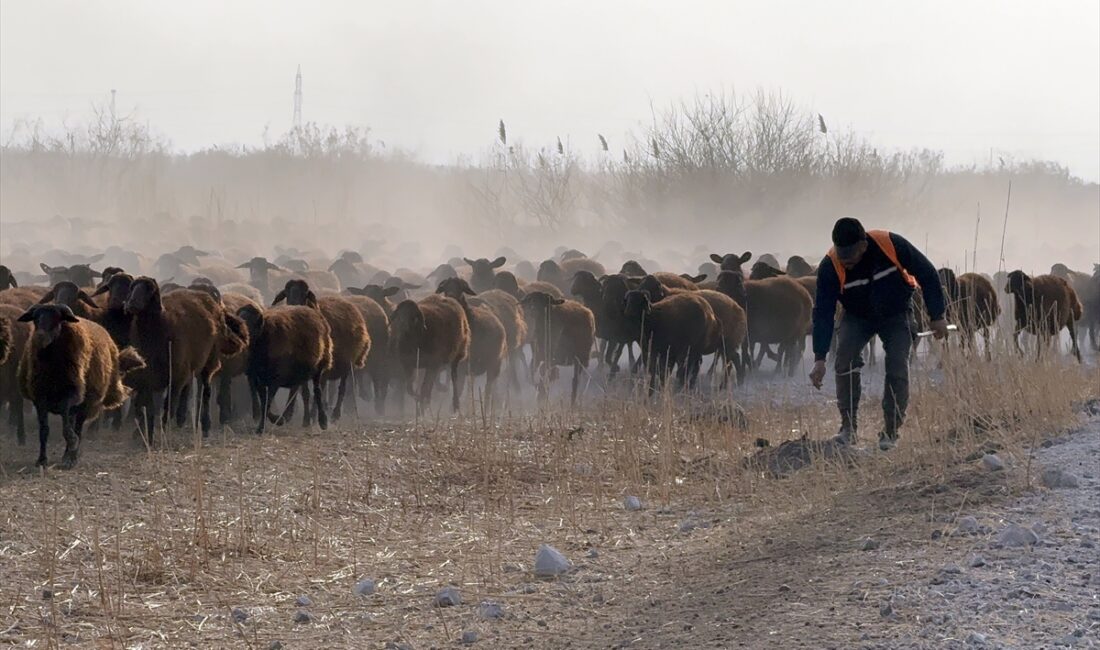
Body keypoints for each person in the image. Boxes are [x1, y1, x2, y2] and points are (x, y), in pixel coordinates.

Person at [809, 217, 948, 450]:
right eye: (841, 256)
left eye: (850, 257)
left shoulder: (890, 244)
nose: (846, 262)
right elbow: (822, 313)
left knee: (897, 363)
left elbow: (927, 273)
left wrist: (937, 315)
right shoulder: (830, 266)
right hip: (856, 316)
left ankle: (891, 432)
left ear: (863, 245)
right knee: (844, 360)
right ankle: (848, 429)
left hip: (897, 312)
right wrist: (819, 358)